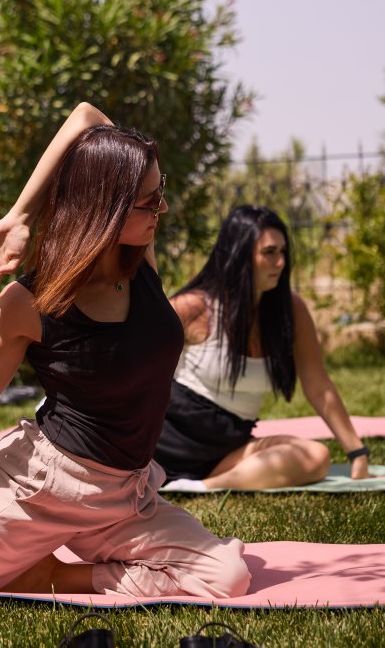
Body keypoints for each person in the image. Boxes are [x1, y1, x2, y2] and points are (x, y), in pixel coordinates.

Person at [0, 104, 250, 602]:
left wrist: (19, 215)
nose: (161, 209)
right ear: (107, 206)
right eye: (150, 201)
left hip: (126, 496)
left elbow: (86, 118)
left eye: (158, 192)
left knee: (227, 576)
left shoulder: (140, 259)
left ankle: (52, 575)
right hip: (41, 489)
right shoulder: (29, 302)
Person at [155, 205, 371, 492]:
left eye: (283, 252)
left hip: (227, 452)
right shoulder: (194, 307)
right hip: (167, 444)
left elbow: (319, 386)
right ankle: (175, 480)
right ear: (240, 254)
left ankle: (201, 487)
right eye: (269, 252)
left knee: (317, 456)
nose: (280, 262)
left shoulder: (290, 311)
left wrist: (356, 451)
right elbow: (135, 372)